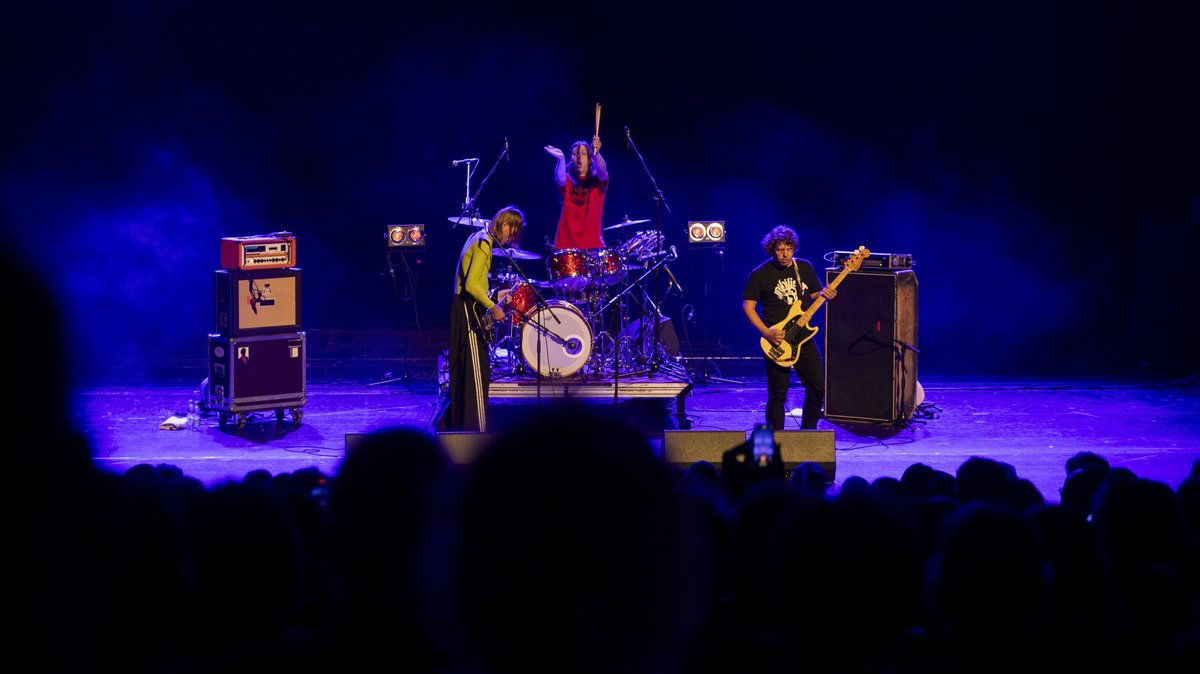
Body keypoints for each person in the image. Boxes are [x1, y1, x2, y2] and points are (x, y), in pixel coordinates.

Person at [742, 225, 836, 430]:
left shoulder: (804, 267)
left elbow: (813, 294)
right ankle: (776, 443)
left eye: (789, 249)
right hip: (777, 340)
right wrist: (767, 332)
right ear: (772, 249)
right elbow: (748, 307)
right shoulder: (760, 274)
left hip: (803, 337)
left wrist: (825, 295)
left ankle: (808, 434)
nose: (785, 254)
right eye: (780, 249)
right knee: (777, 395)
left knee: (817, 388)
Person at [440, 205, 525, 432]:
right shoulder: (484, 244)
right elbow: (470, 285)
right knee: (477, 374)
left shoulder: (479, 238)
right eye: (512, 232)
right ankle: (475, 432)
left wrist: (494, 296)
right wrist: (492, 307)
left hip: (464, 307)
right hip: (467, 309)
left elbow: (473, 282)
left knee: (468, 372)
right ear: (505, 225)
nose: (510, 239)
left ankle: (456, 426)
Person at [544, 136, 608, 250]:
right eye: (575, 154)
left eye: (583, 153)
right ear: (571, 160)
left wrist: (596, 153)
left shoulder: (596, 182)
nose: (579, 157)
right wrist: (561, 159)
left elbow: (603, 172)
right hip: (565, 247)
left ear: (590, 159)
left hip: (593, 247)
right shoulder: (568, 181)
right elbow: (560, 179)